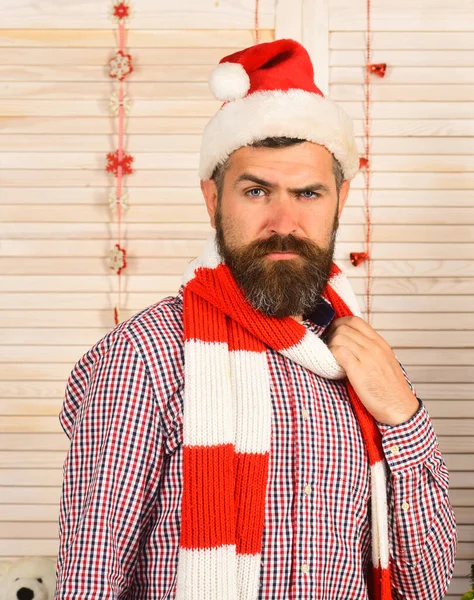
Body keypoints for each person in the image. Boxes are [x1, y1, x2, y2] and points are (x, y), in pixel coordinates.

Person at [55, 39, 457, 599]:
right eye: (256, 190)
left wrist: (403, 416)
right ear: (212, 197)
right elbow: (91, 579)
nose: (283, 220)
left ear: (339, 199)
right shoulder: (144, 354)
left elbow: (428, 580)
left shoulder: (361, 358)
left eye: (308, 192)